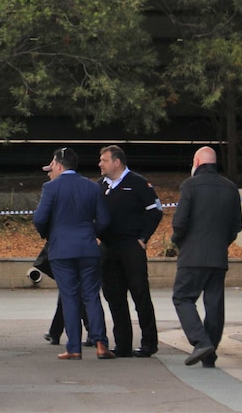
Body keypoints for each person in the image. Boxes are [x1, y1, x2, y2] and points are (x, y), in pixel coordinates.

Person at [33, 147, 115, 360]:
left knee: (69, 297)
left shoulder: (51, 187)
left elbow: (40, 218)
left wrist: (49, 235)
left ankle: (74, 347)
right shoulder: (91, 187)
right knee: (91, 296)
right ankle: (100, 344)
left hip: (61, 250)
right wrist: (91, 234)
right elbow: (104, 219)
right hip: (87, 249)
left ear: (59, 165)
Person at [171, 146, 242, 368]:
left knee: (182, 297)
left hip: (192, 255)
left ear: (197, 161)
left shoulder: (190, 186)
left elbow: (180, 221)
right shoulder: (231, 188)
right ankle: (210, 353)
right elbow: (236, 226)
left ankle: (201, 342)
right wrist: (221, 243)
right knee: (214, 305)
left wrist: (178, 241)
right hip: (218, 257)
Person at [97, 144, 164, 358]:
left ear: (117, 162)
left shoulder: (138, 183)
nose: (100, 164)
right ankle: (123, 344)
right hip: (108, 249)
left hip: (131, 248)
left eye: (104, 160)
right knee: (114, 296)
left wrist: (143, 238)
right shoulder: (100, 186)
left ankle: (149, 343)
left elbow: (155, 211)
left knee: (140, 294)